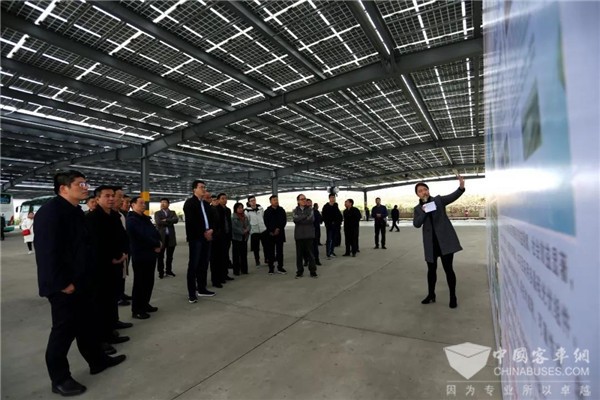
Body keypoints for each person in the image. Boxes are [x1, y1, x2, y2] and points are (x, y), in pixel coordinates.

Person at [34, 170, 125, 397]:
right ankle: (59, 379)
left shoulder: (75, 210)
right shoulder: (50, 213)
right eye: (80, 184)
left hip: (83, 281)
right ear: (63, 188)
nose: (86, 188)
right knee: (63, 332)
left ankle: (97, 361)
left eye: (86, 183)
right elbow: (47, 252)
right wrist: (62, 283)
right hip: (64, 286)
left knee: (88, 325)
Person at [86, 186, 130, 346]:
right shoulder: (92, 218)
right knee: (101, 304)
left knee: (111, 299)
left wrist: (123, 253)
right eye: (107, 196)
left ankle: (110, 330)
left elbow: (123, 236)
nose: (111, 198)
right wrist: (113, 257)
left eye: (112, 195)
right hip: (101, 267)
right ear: (97, 199)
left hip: (116, 264)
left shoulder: (114, 216)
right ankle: (102, 339)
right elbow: (96, 244)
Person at [413, 176, 465, 309]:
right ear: (417, 194)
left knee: (449, 269)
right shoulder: (417, 209)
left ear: (428, 190)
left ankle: (453, 296)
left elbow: (453, 196)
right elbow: (416, 224)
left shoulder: (438, 201)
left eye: (425, 189)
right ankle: (431, 295)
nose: (423, 192)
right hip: (431, 245)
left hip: (444, 242)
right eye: (420, 191)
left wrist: (461, 187)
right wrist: (424, 212)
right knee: (431, 271)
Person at [127, 196, 162, 319]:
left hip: (150, 254)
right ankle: (137, 309)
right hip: (140, 255)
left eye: (144, 203)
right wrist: (155, 244)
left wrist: (159, 242)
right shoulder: (132, 219)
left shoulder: (145, 218)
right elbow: (142, 236)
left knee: (148, 281)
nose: (144, 205)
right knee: (140, 283)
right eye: (141, 203)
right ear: (133, 205)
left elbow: (154, 232)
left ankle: (145, 304)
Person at [183, 180, 216, 303]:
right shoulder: (190, 203)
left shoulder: (206, 204)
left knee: (203, 264)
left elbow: (212, 219)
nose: (203, 189)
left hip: (207, 237)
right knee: (193, 265)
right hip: (196, 238)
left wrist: (211, 230)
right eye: (201, 187)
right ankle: (192, 293)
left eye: (204, 187)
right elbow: (192, 222)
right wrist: (204, 233)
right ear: (194, 189)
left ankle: (202, 288)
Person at [293, 194, 317, 278]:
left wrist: (300, 218)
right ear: (298, 201)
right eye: (302, 199)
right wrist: (305, 217)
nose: (304, 200)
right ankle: (300, 271)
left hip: (309, 235)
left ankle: (313, 271)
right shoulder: (295, 210)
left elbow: (311, 219)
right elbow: (295, 219)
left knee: (311, 254)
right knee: (299, 255)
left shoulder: (310, 209)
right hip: (299, 236)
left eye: (305, 199)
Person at [154, 198, 178, 279]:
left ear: (168, 204)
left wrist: (166, 220)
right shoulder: (157, 213)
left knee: (170, 256)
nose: (162, 204)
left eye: (164, 202)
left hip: (171, 237)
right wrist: (170, 221)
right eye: (161, 202)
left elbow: (176, 220)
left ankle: (169, 271)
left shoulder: (172, 212)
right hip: (161, 238)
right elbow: (158, 222)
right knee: (160, 256)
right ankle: (161, 272)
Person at [263, 195, 287, 275]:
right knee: (271, 252)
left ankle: (280, 267)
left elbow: (284, 221)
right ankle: (271, 268)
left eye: (277, 200)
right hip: (270, 234)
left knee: (280, 252)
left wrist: (278, 229)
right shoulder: (267, 211)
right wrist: (272, 230)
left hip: (280, 233)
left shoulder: (281, 210)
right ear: (270, 202)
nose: (276, 201)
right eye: (274, 200)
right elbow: (266, 222)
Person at [245, 195, 268, 267]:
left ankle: (267, 259)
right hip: (254, 231)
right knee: (256, 248)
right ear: (249, 202)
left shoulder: (260, 208)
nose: (253, 202)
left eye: (254, 200)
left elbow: (263, 217)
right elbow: (247, 221)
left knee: (266, 246)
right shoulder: (247, 211)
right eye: (251, 201)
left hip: (263, 229)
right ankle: (257, 261)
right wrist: (250, 230)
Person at [321, 194, 342, 259]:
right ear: (329, 198)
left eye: (334, 197)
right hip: (329, 226)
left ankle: (332, 251)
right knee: (329, 239)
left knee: (334, 239)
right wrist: (329, 223)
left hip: (336, 226)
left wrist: (338, 222)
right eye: (332, 197)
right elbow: (324, 216)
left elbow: (339, 215)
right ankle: (328, 253)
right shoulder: (326, 206)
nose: (333, 199)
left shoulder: (336, 206)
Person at [231, 202, 249, 275]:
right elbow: (234, 227)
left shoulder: (245, 216)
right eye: (239, 208)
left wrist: (247, 229)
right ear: (235, 209)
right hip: (236, 238)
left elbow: (249, 225)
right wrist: (242, 231)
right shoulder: (233, 217)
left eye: (241, 208)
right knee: (236, 255)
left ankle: (244, 270)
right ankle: (236, 271)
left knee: (244, 255)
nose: (241, 209)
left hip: (244, 238)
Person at [307, 200, 322, 266]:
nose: (310, 204)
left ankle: (316, 260)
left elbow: (319, 219)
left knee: (315, 247)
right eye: (308, 203)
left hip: (314, 231)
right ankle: (307, 260)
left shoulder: (315, 211)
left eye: (310, 203)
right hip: (306, 232)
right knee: (307, 247)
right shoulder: (304, 211)